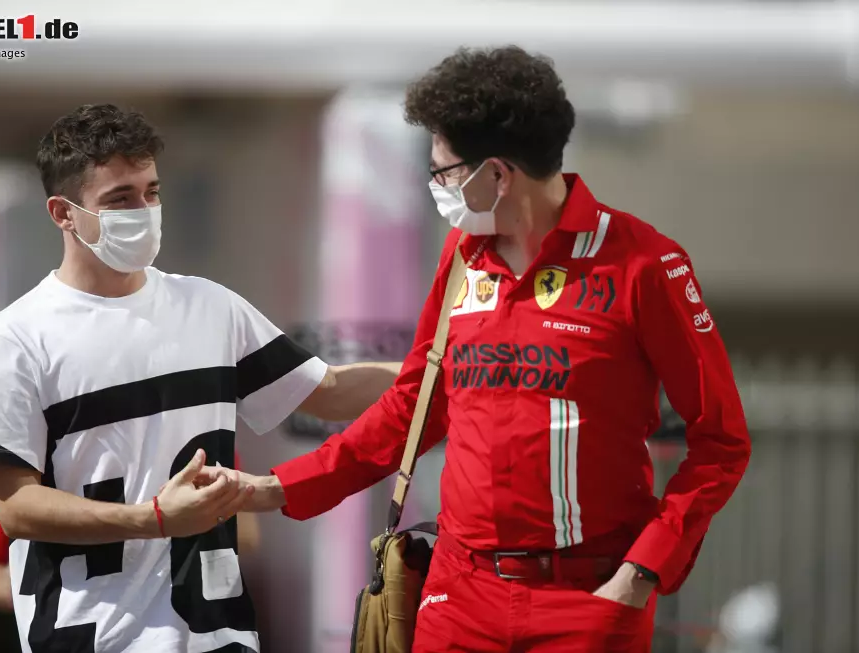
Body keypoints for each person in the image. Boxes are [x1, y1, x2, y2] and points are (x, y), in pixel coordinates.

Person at [234, 46, 752, 652]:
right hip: (458, 595)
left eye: (444, 172)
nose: (437, 187)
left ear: (497, 175)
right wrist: (276, 487)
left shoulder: (644, 264)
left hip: (588, 601)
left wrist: (641, 573)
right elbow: (412, 409)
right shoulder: (460, 258)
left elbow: (721, 442)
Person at [0, 103, 401, 653]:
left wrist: (451, 369)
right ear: (62, 212)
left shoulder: (210, 305)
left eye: (152, 192)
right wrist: (156, 519)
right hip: (87, 639)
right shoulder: (15, 337)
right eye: (120, 199)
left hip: (219, 635)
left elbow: (328, 391)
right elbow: (15, 507)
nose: (143, 210)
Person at [0, 457, 264, 616]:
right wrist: (51, 591)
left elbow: (248, 533)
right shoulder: (36, 462)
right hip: (78, 634)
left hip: (187, 627)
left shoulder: (192, 419)